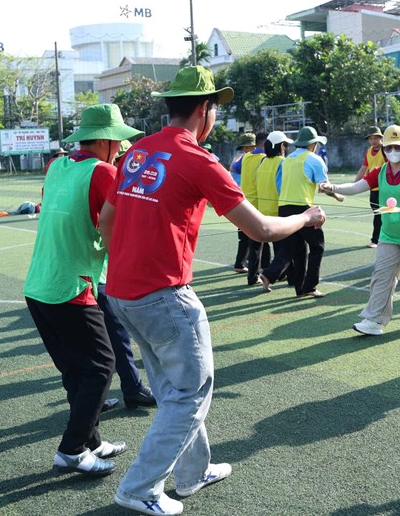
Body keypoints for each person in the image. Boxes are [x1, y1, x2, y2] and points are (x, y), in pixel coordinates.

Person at [99, 66, 326, 515]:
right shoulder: (199, 159)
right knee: (190, 394)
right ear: (206, 110)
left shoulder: (137, 151)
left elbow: (106, 219)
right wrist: (306, 218)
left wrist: (128, 258)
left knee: (173, 387)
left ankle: (192, 472)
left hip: (121, 292)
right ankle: (140, 487)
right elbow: (260, 230)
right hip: (164, 295)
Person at [22, 103, 142, 477]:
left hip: (39, 284)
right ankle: (72, 449)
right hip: (72, 285)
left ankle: (91, 440)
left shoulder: (57, 165)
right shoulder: (104, 172)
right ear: (105, 141)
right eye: (118, 142)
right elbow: (116, 227)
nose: (122, 148)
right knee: (102, 366)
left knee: (77, 369)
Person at [320, 125, 400, 335]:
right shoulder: (379, 172)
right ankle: (374, 320)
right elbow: (356, 187)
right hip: (388, 234)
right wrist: (332, 187)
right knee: (381, 277)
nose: (393, 151)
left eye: (397, 147)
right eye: (389, 148)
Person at [97, 139, 157, 413]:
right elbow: (113, 220)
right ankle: (130, 388)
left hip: (74, 272)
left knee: (101, 339)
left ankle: (92, 395)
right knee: (117, 334)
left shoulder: (62, 166)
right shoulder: (108, 173)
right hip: (98, 272)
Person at [260, 126, 330, 298]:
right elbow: (324, 186)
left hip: (284, 208)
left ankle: (273, 276)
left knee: (295, 248)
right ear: (313, 144)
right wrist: (337, 196)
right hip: (302, 208)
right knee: (317, 246)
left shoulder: (288, 159)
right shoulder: (314, 159)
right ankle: (310, 285)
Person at [252, 131, 294, 290]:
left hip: (263, 209)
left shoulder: (263, 161)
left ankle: (283, 275)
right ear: (281, 146)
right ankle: (272, 274)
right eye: (286, 145)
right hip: (278, 209)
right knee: (288, 247)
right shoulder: (282, 162)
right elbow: (281, 186)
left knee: (280, 246)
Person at [239, 132, 271, 285]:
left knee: (256, 241)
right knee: (257, 242)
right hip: (258, 204)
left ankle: (266, 268)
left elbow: (234, 167)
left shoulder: (246, 157)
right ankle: (254, 276)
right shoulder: (263, 159)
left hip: (245, 202)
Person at [229, 133, 258, 273]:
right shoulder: (246, 158)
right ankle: (245, 264)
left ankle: (240, 263)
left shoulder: (238, 158)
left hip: (240, 200)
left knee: (244, 236)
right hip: (247, 199)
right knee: (251, 236)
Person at [354, 126, 386, 248]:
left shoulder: (385, 150)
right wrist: (355, 183)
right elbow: (364, 168)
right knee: (377, 213)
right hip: (373, 188)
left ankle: (376, 240)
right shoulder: (369, 151)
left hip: (385, 188)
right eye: (371, 138)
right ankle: (379, 238)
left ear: (381, 138)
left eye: (375, 138)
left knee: (382, 214)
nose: (373, 141)